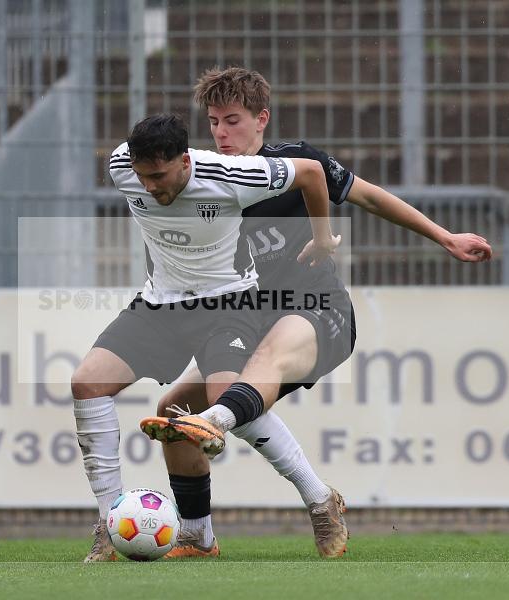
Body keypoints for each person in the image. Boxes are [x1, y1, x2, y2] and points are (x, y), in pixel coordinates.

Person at [140, 67, 494, 558]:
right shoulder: (203, 183)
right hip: (249, 318)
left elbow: (370, 196)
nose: (221, 133)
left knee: (251, 375)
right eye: (214, 122)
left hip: (317, 310)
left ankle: (223, 426)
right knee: (174, 412)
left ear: (262, 119)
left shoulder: (294, 163)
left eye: (234, 120)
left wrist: (445, 237)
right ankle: (202, 534)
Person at [72, 112, 341, 562]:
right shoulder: (122, 165)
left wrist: (322, 238)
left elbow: (312, 174)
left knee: (225, 403)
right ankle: (112, 523)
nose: (151, 188)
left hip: (227, 304)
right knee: (86, 383)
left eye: (159, 176)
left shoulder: (230, 174)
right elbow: (138, 174)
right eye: (143, 178)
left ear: (184, 160)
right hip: (159, 305)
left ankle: (320, 501)